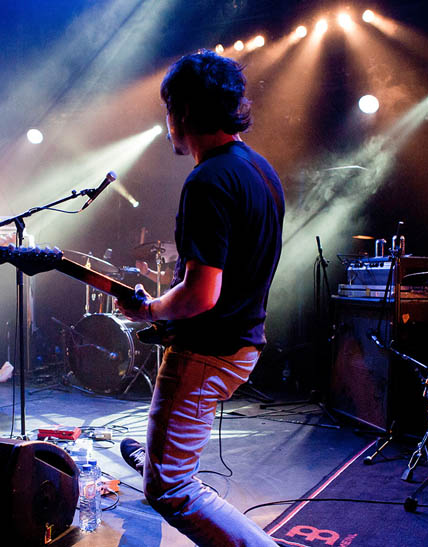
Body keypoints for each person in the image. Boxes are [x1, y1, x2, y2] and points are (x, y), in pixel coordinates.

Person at [117, 50, 284, 546]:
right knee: (169, 468)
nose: (166, 122)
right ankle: (152, 451)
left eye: (168, 109)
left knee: (170, 489)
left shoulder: (208, 181)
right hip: (240, 345)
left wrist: (149, 310)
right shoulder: (261, 171)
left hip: (206, 354)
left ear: (183, 112)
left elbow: (201, 294)